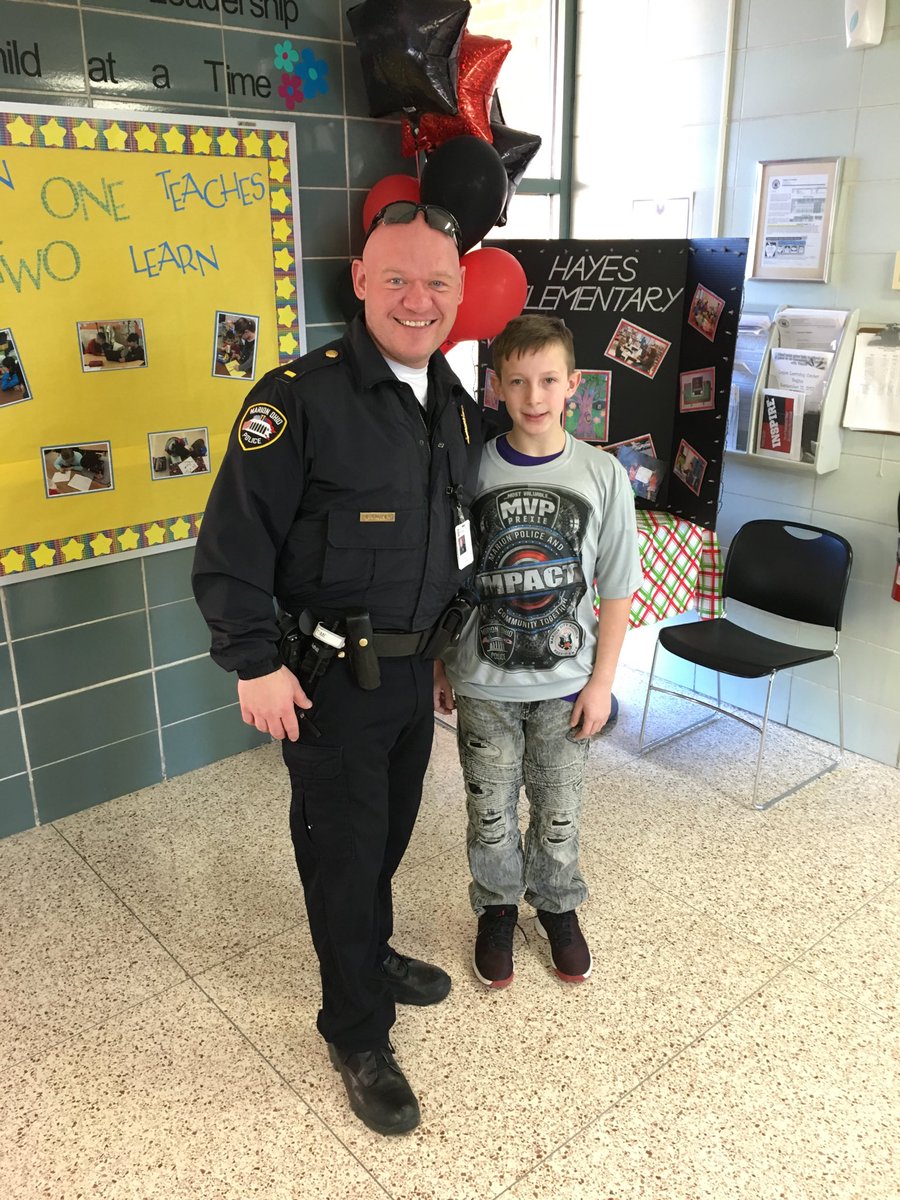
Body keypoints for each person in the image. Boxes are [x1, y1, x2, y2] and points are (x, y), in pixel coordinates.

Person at [192, 201, 482, 1137]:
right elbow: (233, 545)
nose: (416, 298)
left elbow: (447, 542)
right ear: (360, 281)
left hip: (407, 679)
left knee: (387, 837)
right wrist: (253, 664)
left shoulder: (454, 403)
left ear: (459, 293)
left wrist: (441, 654)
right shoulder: (297, 399)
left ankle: (370, 950)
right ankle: (356, 1029)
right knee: (343, 856)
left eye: (436, 281)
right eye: (395, 276)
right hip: (322, 679)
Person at [435, 315, 642, 990]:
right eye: (517, 382)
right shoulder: (470, 470)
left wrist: (602, 683)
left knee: (560, 810)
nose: (533, 396)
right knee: (489, 810)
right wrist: (443, 662)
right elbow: (449, 575)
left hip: (567, 685)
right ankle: (496, 906)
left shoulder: (603, 475)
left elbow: (616, 591)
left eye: (549, 379)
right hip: (483, 682)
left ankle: (556, 905)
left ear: (573, 385)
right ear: (494, 387)